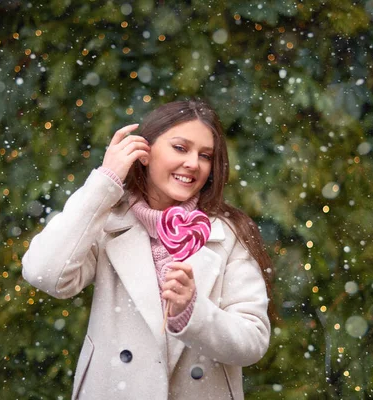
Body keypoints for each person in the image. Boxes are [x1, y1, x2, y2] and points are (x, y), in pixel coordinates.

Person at [22, 99, 271, 400]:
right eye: (180, 148)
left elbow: (252, 341)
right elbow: (44, 273)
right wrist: (105, 182)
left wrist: (192, 311)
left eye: (205, 155)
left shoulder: (226, 234)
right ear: (145, 152)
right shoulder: (107, 221)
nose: (193, 163)